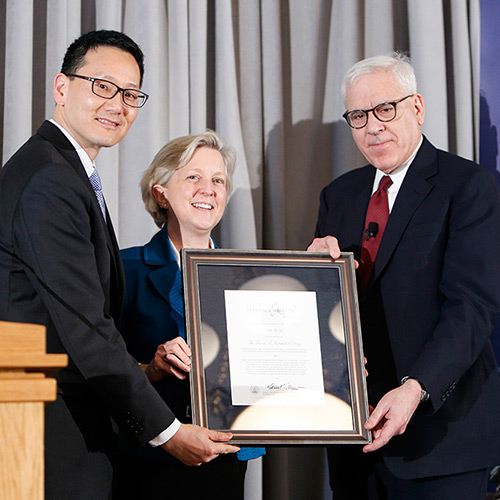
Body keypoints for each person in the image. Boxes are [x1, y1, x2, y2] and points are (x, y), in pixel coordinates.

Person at [0, 30, 237, 500]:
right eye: (103, 86)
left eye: (131, 94)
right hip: (44, 422)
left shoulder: (63, 170)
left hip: (51, 417)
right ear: (61, 88)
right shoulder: (51, 178)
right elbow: (88, 330)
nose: (118, 104)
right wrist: (169, 431)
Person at [308, 52, 500, 499]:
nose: (372, 126)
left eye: (385, 109)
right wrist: (313, 276)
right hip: (355, 435)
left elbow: (473, 307)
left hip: (441, 438)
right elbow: (329, 317)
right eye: (358, 115)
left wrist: (415, 389)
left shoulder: (469, 186)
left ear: (417, 108)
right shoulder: (338, 196)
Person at [114, 131, 265, 500]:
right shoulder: (124, 268)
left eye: (218, 181)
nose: (208, 189)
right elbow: (97, 367)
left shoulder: (252, 277)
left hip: (226, 458)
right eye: (193, 177)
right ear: (160, 191)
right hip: (150, 462)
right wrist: (150, 368)